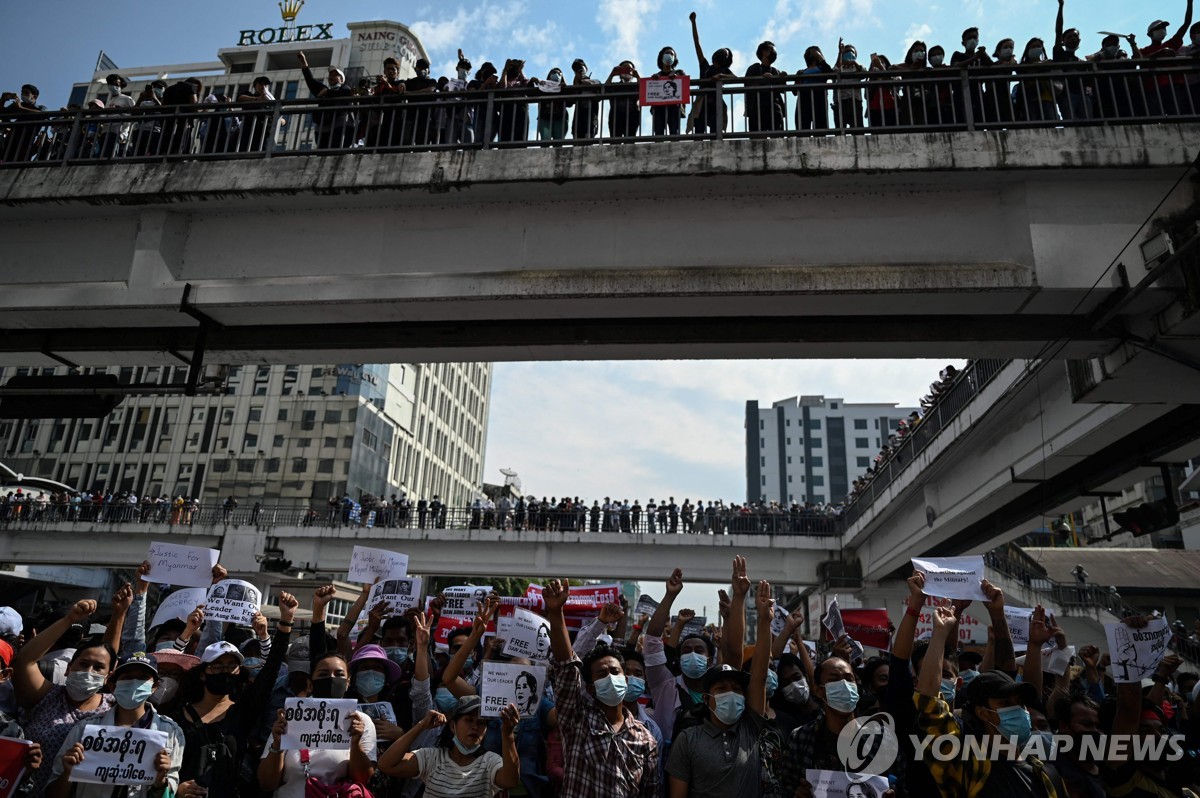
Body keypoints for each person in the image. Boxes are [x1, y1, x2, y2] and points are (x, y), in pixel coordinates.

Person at [543, 577, 659, 797]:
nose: (610, 677)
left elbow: (650, 791)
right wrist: (556, 613)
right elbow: (566, 667)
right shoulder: (576, 718)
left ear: (625, 680)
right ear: (591, 687)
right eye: (602, 674)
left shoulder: (646, 738)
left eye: (615, 672)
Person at [170, 594, 295, 797]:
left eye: (232, 666)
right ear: (203, 673)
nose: (225, 672)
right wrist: (174, 789)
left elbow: (271, 669)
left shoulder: (244, 710)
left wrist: (285, 622)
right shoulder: (177, 714)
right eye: (217, 666)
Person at [667, 579, 775, 798]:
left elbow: (759, 677)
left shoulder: (750, 728)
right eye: (722, 688)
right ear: (706, 699)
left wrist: (765, 621)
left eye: (736, 688)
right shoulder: (688, 740)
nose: (731, 693)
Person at [13, 597, 125, 796]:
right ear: (68, 669)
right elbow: (24, 661)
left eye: (98, 668)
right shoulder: (47, 697)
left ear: (108, 678)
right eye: (83, 664)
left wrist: (119, 615)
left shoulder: (113, 710)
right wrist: (69, 620)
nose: (88, 671)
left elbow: (108, 654)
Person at [48, 651, 185, 798]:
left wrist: (160, 781)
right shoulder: (85, 729)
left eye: (142, 678)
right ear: (113, 686)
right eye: (127, 678)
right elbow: (52, 792)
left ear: (154, 686)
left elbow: (169, 793)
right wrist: (68, 772)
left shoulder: (171, 732)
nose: (134, 683)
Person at [258, 653, 378, 797]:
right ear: (310, 683)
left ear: (348, 682)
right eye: (323, 674)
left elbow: (363, 778)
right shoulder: (290, 717)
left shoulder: (361, 721)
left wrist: (355, 744)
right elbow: (266, 783)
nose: (332, 679)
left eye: (339, 674)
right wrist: (277, 745)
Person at [378, 697, 521, 796]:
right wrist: (421, 726)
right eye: (469, 720)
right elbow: (386, 765)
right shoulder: (432, 757)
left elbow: (510, 781)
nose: (475, 727)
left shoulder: (490, 762)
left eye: (481, 723)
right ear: (453, 726)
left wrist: (507, 734)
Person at [688, 12, 735, 135]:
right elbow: (697, 43)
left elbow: (735, 78)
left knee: (715, 134)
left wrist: (721, 76)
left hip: (716, 105)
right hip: (702, 103)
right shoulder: (705, 67)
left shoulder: (724, 70)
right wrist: (693, 23)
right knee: (699, 133)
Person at [297, 51, 356, 149]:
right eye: (330, 75)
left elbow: (347, 94)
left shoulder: (344, 88)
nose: (331, 76)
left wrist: (327, 93)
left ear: (341, 79)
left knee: (336, 154)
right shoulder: (325, 89)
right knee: (322, 155)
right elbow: (311, 81)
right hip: (323, 129)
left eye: (335, 75)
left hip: (340, 127)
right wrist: (304, 63)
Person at [950, 28, 992, 125]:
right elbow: (955, 65)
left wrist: (984, 54)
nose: (972, 40)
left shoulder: (981, 56)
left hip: (978, 94)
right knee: (962, 120)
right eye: (969, 38)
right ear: (963, 43)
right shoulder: (958, 55)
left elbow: (991, 65)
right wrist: (974, 58)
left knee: (979, 119)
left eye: (975, 37)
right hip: (960, 93)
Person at [745, 41, 787, 133]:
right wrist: (762, 79)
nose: (774, 54)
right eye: (771, 50)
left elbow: (782, 89)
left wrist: (782, 79)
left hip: (774, 109)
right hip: (756, 109)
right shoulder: (753, 69)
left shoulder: (775, 71)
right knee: (757, 142)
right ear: (763, 52)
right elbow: (747, 86)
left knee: (777, 140)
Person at [794, 46, 834, 132]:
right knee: (802, 132)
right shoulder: (802, 72)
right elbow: (794, 92)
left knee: (820, 131)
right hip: (803, 102)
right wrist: (797, 78)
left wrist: (820, 57)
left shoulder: (822, 69)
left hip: (819, 101)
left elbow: (830, 74)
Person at [651, 47, 686, 136]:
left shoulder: (679, 73)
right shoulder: (656, 76)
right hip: (659, 109)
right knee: (658, 134)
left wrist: (677, 76)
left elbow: (685, 84)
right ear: (661, 56)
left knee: (674, 133)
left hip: (674, 108)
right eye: (667, 53)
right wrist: (653, 80)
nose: (669, 55)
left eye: (672, 54)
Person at [606, 61, 642, 138]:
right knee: (615, 141)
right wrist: (612, 74)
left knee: (630, 141)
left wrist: (637, 76)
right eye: (624, 68)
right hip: (616, 116)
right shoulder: (615, 86)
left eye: (629, 69)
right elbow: (605, 89)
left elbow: (644, 89)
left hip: (632, 115)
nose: (627, 71)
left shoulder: (635, 86)